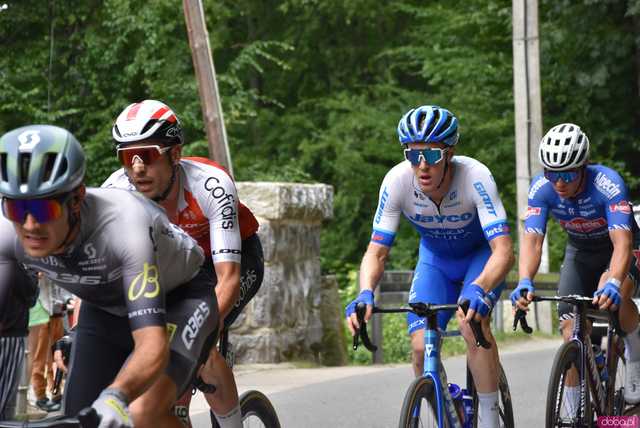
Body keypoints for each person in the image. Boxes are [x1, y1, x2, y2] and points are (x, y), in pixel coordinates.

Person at [0, 124, 219, 427]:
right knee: (79, 419)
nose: (29, 225)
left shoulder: (124, 225)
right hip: (106, 309)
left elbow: (150, 343)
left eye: (44, 208)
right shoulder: (5, 233)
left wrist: (116, 398)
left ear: (76, 199)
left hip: (181, 298)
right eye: (15, 207)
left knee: (140, 412)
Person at [345, 105, 514, 428]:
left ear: (449, 154)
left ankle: (490, 414)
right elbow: (376, 252)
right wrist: (365, 292)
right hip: (435, 262)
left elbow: (504, 251)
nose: (422, 166)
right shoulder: (396, 182)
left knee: (470, 324)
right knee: (420, 347)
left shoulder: (475, 177)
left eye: (432, 156)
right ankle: (448, 408)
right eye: (413, 155)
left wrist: (480, 286)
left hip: (479, 261)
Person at [103, 99, 263, 428]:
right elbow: (102, 275)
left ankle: (231, 422)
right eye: (125, 157)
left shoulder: (210, 186)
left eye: (146, 155)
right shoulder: (116, 192)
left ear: (175, 154)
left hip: (232, 261)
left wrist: (200, 332)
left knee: (201, 348)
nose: (136, 169)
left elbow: (228, 278)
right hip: (175, 269)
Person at [511, 123, 640, 407]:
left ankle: (636, 353)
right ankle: (571, 412)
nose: (559, 182)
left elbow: (622, 244)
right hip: (580, 252)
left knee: (611, 296)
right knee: (572, 334)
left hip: (618, 248)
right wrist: (525, 281)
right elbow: (532, 242)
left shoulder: (608, 184)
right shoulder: (541, 189)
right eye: (552, 174)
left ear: (584, 166)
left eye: (568, 174)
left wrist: (616, 282)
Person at [27, 273, 71, 412]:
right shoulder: (36, 261)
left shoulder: (58, 261)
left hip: (57, 311)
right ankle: (39, 396)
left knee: (57, 357)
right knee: (39, 358)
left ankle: (55, 392)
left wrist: (67, 300)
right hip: (41, 311)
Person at [0, 262, 38, 420]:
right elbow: (30, 294)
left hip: (9, 331)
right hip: (8, 334)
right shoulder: (11, 260)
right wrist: (32, 272)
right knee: (4, 401)